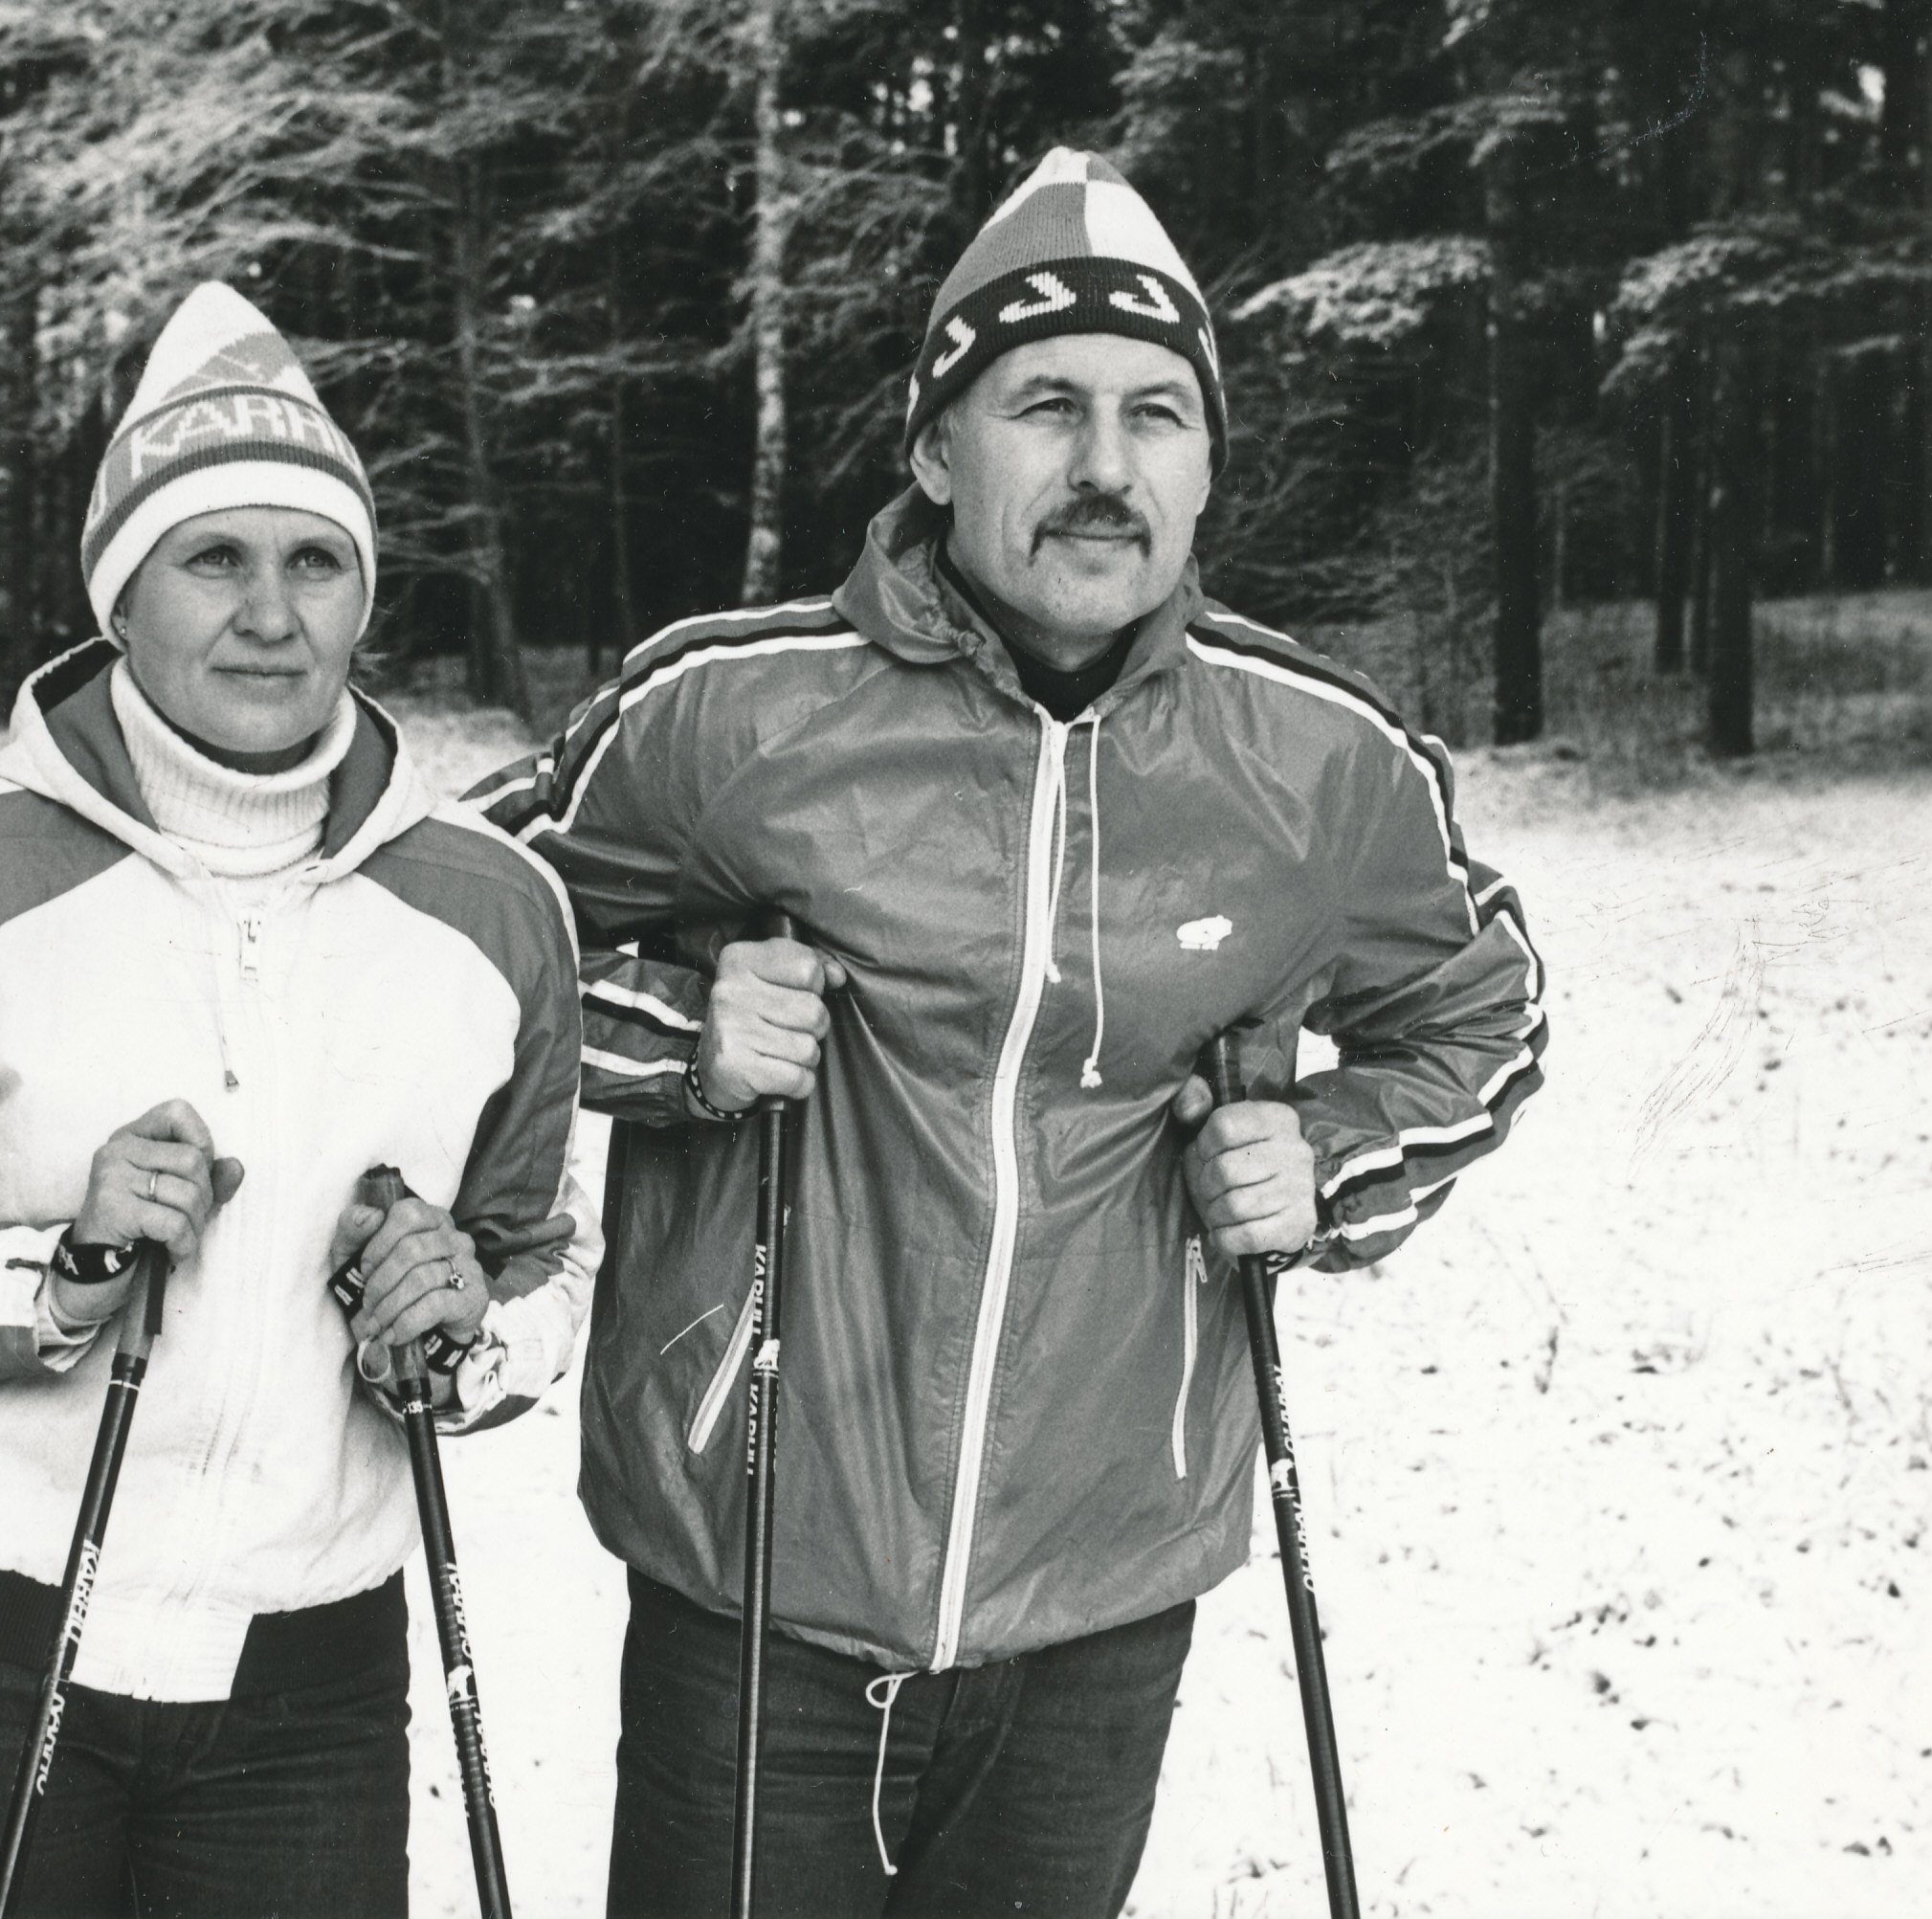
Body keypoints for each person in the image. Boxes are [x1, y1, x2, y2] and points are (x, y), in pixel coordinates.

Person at [471, 149, 1546, 1917]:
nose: (1106, 467)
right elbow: (460, 928)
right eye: (1045, 405)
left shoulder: (1319, 762)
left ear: (1209, 464)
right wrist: (672, 1028)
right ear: (933, 450)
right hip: (757, 1590)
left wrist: (1334, 1158)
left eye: (1158, 415)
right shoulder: (724, 709)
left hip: (1102, 1612)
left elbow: (1481, 1003)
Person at [0, 281, 596, 1917]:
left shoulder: (494, 908)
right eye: (214, 558)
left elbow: (544, 1260)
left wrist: (459, 1324)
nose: (271, 614)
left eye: (315, 560)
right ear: (120, 593)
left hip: (301, 1678)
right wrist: (57, 1269)